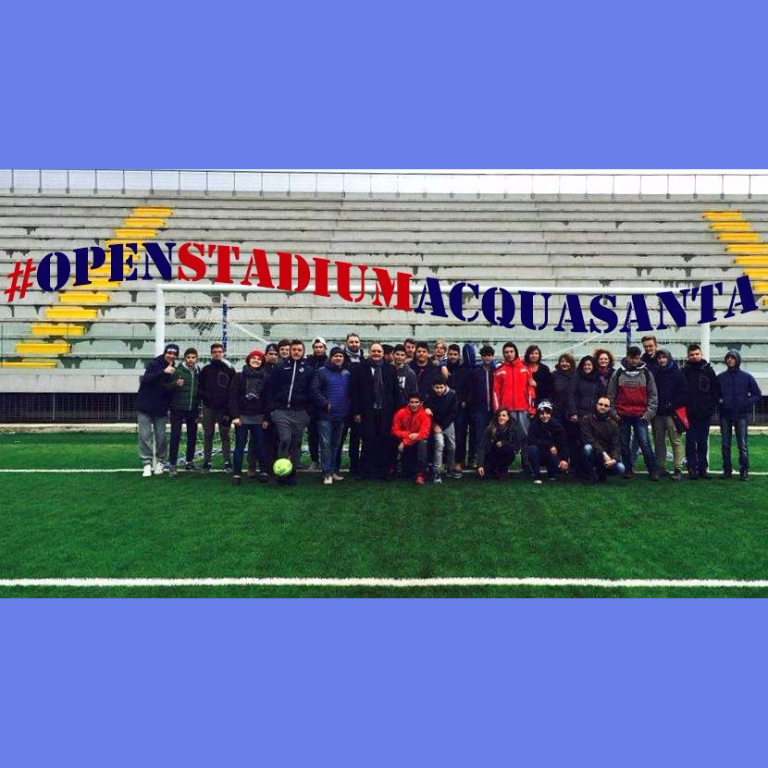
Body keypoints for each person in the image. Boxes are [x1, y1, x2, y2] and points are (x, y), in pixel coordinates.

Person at [266, 340, 319, 485]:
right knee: (285, 439)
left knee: (296, 443)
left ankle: (291, 473)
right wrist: (272, 408)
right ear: (290, 351)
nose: (296, 352)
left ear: (303, 352)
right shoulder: (280, 367)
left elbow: (313, 391)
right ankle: (280, 474)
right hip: (281, 411)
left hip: (301, 413)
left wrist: (308, 412)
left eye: (299, 350)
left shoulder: (308, 370)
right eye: (293, 349)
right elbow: (271, 388)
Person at [607, 346, 660, 481]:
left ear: (640, 357)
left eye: (637, 358)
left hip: (640, 415)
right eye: (631, 358)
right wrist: (614, 414)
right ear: (627, 357)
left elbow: (653, 396)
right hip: (622, 415)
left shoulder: (647, 373)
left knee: (644, 443)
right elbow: (611, 396)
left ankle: (653, 470)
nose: (634, 361)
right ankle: (628, 470)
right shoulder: (618, 373)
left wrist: (648, 414)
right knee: (624, 443)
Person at [352, 342, 400, 480]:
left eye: (379, 351)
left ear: (382, 353)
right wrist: (356, 412)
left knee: (385, 441)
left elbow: (395, 391)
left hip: (386, 412)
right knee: (368, 441)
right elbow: (355, 392)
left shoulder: (390, 369)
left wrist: (396, 412)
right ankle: (365, 471)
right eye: (374, 351)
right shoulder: (361, 369)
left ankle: (384, 472)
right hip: (367, 411)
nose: (376, 353)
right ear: (369, 352)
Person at [718, 349, 762, 481]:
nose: (730, 360)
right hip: (725, 415)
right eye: (728, 358)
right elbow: (715, 394)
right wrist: (720, 401)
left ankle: (744, 470)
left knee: (742, 444)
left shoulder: (746, 377)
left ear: (737, 359)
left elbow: (757, 394)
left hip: (741, 415)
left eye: (732, 357)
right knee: (725, 444)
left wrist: (746, 403)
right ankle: (727, 470)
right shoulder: (720, 377)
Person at [136, 343, 178, 477]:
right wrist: (163, 372)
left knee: (161, 436)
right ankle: (147, 463)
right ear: (165, 353)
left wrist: (175, 384)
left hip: (161, 407)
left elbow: (166, 388)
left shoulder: (174, 369)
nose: (171, 356)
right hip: (145, 406)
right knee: (144, 435)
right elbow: (147, 379)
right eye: (169, 353)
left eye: (174, 354)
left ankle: (160, 461)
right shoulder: (154, 364)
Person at [229, 350, 270, 485]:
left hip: (259, 417)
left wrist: (266, 418)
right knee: (240, 445)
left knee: (260, 445)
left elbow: (267, 399)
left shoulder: (265, 377)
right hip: (242, 417)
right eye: (254, 358)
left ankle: (263, 471)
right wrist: (235, 416)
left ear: (262, 362)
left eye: (259, 359)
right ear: (248, 360)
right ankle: (236, 474)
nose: (256, 360)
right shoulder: (239, 376)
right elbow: (232, 397)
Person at [314, 347, 353, 485]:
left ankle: (333, 470)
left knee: (336, 445)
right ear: (331, 357)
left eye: (340, 356)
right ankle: (326, 473)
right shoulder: (321, 372)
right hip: (325, 416)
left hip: (341, 415)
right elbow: (315, 390)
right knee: (325, 444)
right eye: (335, 356)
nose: (338, 358)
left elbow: (349, 394)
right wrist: (325, 403)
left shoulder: (347, 373)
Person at [682, 343, 720, 480]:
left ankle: (703, 468)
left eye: (697, 354)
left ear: (701, 355)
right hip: (689, 414)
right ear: (688, 356)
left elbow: (716, 391)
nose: (694, 356)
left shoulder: (709, 370)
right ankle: (692, 468)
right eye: (692, 355)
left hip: (704, 414)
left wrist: (710, 407)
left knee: (703, 442)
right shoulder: (684, 372)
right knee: (690, 442)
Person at [199, 343, 236, 472]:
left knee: (225, 434)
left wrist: (229, 410)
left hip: (224, 408)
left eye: (219, 351)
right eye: (214, 351)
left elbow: (233, 391)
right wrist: (206, 396)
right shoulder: (205, 370)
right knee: (208, 434)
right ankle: (207, 462)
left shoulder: (229, 370)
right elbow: (200, 388)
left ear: (223, 353)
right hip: (208, 407)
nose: (217, 353)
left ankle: (227, 462)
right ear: (211, 353)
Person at [652, 348, 687, 481]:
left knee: (676, 440)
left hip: (673, 414)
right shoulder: (655, 372)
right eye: (659, 358)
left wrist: (673, 404)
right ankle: (661, 466)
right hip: (658, 413)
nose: (661, 360)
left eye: (664, 357)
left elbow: (684, 393)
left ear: (668, 358)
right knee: (659, 441)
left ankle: (678, 468)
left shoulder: (677, 373)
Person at [168, 347, 201, 477]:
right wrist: (176, 384)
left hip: (192, 409)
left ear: (197, 359)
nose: (191, 360)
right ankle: (172, 464)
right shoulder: (177, 371)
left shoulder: (198, 372)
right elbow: (167, 388)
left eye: (193, 357)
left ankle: (189, 461)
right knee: (175, 436)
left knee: (192, 436)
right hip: (177, 409)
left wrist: (199, 408)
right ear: (184, 359)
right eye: (188, 357)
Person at [492, 342, 536, 435]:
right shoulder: (500, 370)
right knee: (509, 435)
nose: (509, 354)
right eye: (506, 352)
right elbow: (496, 392)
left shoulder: (525, 368)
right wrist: (498, 410)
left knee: (524, 434)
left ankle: (524, 450)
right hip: (506, 409)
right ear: (504, 354)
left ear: (515, 352)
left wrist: (531, 408)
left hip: (523, 408)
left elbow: (530, 390)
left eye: (511, 351)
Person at [580, 396, 626, 483]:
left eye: (606, 405)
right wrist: (603, 453)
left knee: (621, 468)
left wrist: (614, 459)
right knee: (587, 448)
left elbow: (616, 444)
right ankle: (590, 476)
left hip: (607, 457)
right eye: (600, 404)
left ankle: (602, 472)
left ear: (609, 408)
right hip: (594, 453)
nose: (603, 407)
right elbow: (589, 439)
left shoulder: (613, 424)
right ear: (596, 405)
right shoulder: (586, 419)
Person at [424, 376, 461, 483]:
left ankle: (450, 469)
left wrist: (443, 426)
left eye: (441, 387)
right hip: (435, 425)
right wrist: (434, 425)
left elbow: (453, 412)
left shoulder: (452, 395)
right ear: (433, 387)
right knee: (439, 445)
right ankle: (436, 472)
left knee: (452, 446)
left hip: (448, 424)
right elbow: (426, 413)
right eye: (437, 388)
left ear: (445, 386)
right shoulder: (429, 397)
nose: (439, 390)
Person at [339, 332, 365, 476]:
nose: (354, 344)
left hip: (356, 406)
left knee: (356, 438)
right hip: (342, 404)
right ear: (347, 342)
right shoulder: (340, 358)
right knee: (339, 438)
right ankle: (334, 467)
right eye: (352, 342)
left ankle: (355, 467)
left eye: (356, 342)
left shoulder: (363, 360)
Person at [392, 394, 432, 484]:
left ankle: (420, 475)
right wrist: (408, 435)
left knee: (423, 443)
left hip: (416, 441)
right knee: (390, 438)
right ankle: (393, 467)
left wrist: (405, 442)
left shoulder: (425, 414)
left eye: (416, 402)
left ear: (421, 403)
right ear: (408, 403)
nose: (414, 404)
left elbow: (424, 434)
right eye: (412, 402)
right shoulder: (401, 413)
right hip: (404, 439)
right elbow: (394, 430)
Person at [527, 400, 569, 484]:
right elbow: (531, 440)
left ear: (551, 413)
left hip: (553, 454)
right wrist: (549, 445)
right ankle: (537, 475)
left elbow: (563, 444)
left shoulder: (557, 426)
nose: (544, 416)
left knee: (560, 467)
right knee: (532, 449)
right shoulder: (533, 425)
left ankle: (552, 473)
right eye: (542, 413)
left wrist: (564, 459)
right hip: (539, 453)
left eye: (547, 413)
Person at [468, 345, 497, 467]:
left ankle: (492, 460)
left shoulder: (497, 370)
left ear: (492, 356)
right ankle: (479, 461)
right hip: (480, 409)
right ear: (482, 356)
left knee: (494, 435)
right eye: (485, 355)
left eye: (489, 355)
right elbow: (473, 390)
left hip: (494, 409)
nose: (487, 358)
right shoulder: (476, 370)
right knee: (480, 435)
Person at [476, 409, 525, 481]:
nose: (501, 417)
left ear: (508, 418)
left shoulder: (513, 429)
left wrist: (505, 443)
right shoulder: (490, 428)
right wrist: (480, 465)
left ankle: (503, 470)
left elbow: (517, 447)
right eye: (499, 415)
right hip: (491, 455)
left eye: (504, 415)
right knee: (482, 474)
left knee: (507, 451)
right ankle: (495, 470)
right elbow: (482, 447)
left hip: (506, 455)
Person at [446, 343, 471, 472]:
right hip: (446, 408)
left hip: (460, 408)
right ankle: (445, 461)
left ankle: (458, 461)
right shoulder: (443, 368)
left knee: (460, 435)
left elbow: (469, 388)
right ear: (447, 354)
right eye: (450, 354)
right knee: (445, 434)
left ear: (459, 356)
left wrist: (465, 401)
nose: (452, 356)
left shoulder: (465, 370)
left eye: (455, 354)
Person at [306, 337, 329, 473]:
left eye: (321, 347)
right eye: (316, 347)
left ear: (325, 348)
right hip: (311, 404)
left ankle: (327, 461)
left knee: (325, 434)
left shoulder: (328, 362)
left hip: (324, 403)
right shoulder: (308, 361)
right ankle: (315, 460)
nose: (318, 349)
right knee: (312, 433)